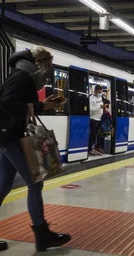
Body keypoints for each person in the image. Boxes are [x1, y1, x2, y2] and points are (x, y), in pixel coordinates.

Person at [0, 48, 71, 252]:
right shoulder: (22, 77)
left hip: (7, 136)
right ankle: (42, 235)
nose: (47, 73)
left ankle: (43, 235)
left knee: (3, 186)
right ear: (39, 64)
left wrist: (41, 105)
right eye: (47, 67)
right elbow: (7, 103)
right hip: (10, 136)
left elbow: (14, 102)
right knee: (35, 182)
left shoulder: (19, 75)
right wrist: (40, 107)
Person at [88, 85, 104, 156]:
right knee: (92, 135)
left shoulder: (100, 97)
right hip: (93, 119)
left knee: (98, 135)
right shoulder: (91, 98)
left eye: (101, 92)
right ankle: (90, 149)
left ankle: (96, 147)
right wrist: (99, 107)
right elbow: (91, 109)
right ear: (95, 91)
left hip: (99, 118)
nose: (100, 93)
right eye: (99, 92)